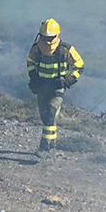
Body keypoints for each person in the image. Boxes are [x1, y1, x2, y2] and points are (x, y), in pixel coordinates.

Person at [26, 18, 83, 153]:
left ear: (56, 35)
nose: (47, 41)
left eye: (49, 38)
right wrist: (33, 77)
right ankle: (52, 146)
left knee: (50, 114)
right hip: (42, 87)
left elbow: (79, 65)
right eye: (44, 37)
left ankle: (44, 147)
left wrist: (68, 80)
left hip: (57, 87)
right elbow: (30, 62)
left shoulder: (66, 49)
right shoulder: (36, 48)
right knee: (46, 117)